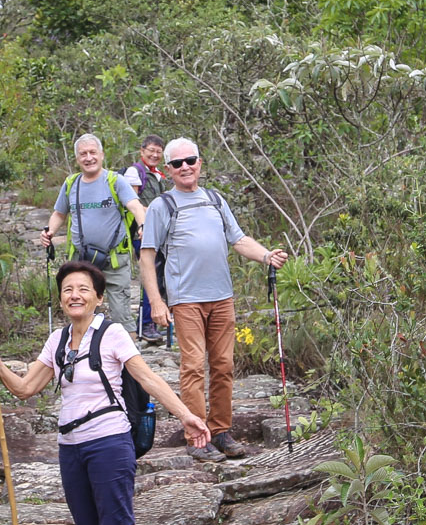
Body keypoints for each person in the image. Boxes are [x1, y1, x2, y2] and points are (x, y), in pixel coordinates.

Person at [0, 258, 208, 525]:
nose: (75, 295)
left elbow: (148, 378)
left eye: (84, 289)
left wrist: (185, 415)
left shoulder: (113, 334)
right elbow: (24, 388)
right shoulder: (57, 341)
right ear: (60, 298)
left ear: (99, 298)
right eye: (68, 289)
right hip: (71, 448)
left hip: (109, 442)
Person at [139, 137, 289, 463]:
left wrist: (266, 256)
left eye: (189, 160)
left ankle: (220, 431)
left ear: (199, 163)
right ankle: (197, 437)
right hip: (186, 300)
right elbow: (147, 257)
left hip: (222, 298)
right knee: (193, 368)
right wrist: (156, 302)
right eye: (177, 163)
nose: (185, 167)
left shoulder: (215, 200)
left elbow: (238, 240)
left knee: (223, 366)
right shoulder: (162, 206)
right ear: (167, 170)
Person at [40, 134, 150, 326]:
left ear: (101, 155)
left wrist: (143, 226)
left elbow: (134, 205)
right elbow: (59, 213)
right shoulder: (70, 184)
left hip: (115, 259)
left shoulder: (115, 181)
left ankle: (127, 356)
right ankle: (86, 354)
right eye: (83, 154)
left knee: (121, 316)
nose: (88, 158)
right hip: (82, 260)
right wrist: (49, 232)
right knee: (83, 313)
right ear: (77, 158)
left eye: (93, 152)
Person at [119, 136, 168, 343]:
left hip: (158, 231)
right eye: (151, 150)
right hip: (142, 231)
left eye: (159, 151)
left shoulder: (157, 175)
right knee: (151, 275)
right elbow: (133, 203)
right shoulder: (135, 172)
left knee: (160, 275)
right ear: (142, 151)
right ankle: (146, 323)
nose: (155, 155)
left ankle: (154, 321)